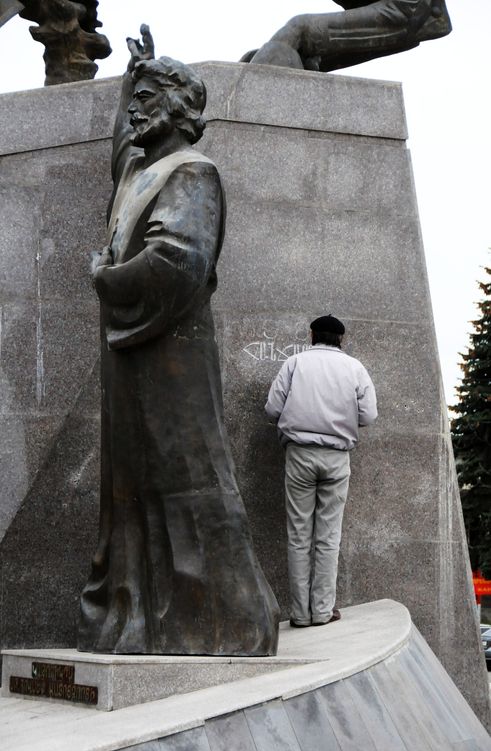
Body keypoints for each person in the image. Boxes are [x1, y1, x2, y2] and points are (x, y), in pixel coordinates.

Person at [78, 26, 279, 656]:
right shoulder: (141, 168)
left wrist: (107, 280)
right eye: (133, 98)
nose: (136, 108)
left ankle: (228, 621)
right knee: (131, 485)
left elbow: (178, 260)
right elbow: (123, 155)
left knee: (185, 479)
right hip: (133, 356)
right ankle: (132, 618)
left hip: (172, 358)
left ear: (179, 107)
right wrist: (125, 83)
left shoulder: (194, 172)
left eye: (146, 96)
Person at [265, 315, 377, 627]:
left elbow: (272, 409)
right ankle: (323, 611)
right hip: (337, 457)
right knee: (329, 536)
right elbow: (369, 415)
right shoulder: (354, 368)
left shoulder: (294, 363)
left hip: (299, 453)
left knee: (299, 534)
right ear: (341, 338)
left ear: (312, 334)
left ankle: (300, 614)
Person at [247, 0, 451, 72]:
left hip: (408, 11)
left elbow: (406, 13)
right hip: (404, 12)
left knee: (297, 32)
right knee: (285, 48)